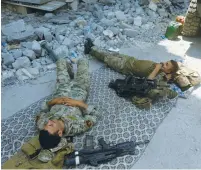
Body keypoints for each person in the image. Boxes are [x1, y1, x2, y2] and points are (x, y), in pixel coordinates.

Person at [36, 41, 100, 150]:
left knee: (60, 61)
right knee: (83, 62)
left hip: (62, 88)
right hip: (79, 89)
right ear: (60, 133)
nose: (49, 122)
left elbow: (42, 110)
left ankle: (70, 71)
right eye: (51, 125)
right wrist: (78, 103)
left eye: (47, 124)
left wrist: (53, 102)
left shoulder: (42, 125)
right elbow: (96, 114)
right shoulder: (76, 126)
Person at [84, 38, 180, 109]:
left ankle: (90, 50)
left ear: (169, 71)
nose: (164, 63)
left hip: (125, 67)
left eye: (167, 65)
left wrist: (158, 69)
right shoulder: (163, 72)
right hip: (130, 60)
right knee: (112, 53)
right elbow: (171, 75)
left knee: (108, 59)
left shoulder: (157, 76)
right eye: (166, 62)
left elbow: (148, 82)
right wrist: (168, 73)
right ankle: (94, 46)